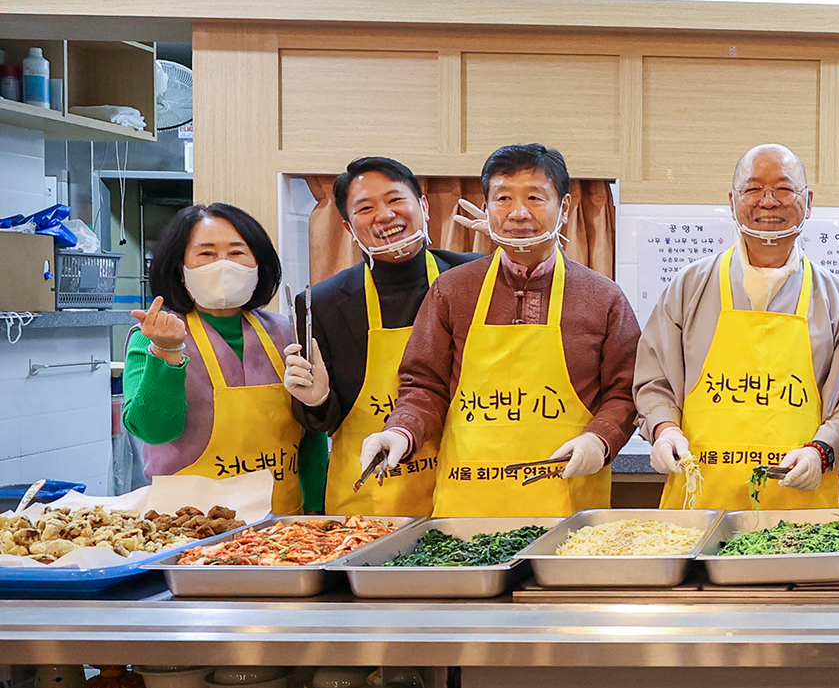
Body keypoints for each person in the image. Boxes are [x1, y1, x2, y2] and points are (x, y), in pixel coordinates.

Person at [362, 143, 641, 518]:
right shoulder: (452, 290)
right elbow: (424, 385)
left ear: (566, 208)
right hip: (467, 503)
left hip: (566, 503)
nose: (518, 212)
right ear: (489, 206)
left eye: (535, 198)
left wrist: (599, 440)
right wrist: (400, 431)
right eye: (503, 198)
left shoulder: (603, 297)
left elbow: (625, 392)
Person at [633, 144, 839, 509]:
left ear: (808, 201)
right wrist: (664, 430)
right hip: (701, 504)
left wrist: (821, 451)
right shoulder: (688, 286)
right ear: (732, 200)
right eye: (754, 189)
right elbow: (654, 381)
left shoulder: (836, 299)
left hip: (799, 508)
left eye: (784, 189)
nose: (769, 202)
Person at [282, 157, 481, 516]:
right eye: (366, 207)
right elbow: (320, 422)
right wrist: (316, 399)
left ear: (423, 206)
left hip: (463, 488)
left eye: (395, 199)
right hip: (368, 499)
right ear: (347, 225)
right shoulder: (321, 304)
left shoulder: (475, 277)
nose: (385, 215)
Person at [122, 203, 321, 513]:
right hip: (189, 527)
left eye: (237, 253)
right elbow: (153, 431)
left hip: (283, 528)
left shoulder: (286, 332)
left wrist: (320, 514)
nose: (224, 265)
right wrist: (166, 353)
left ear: (259, 263)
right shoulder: (151, 336)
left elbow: (311, 437)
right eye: (207, 254)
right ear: (180, 267)